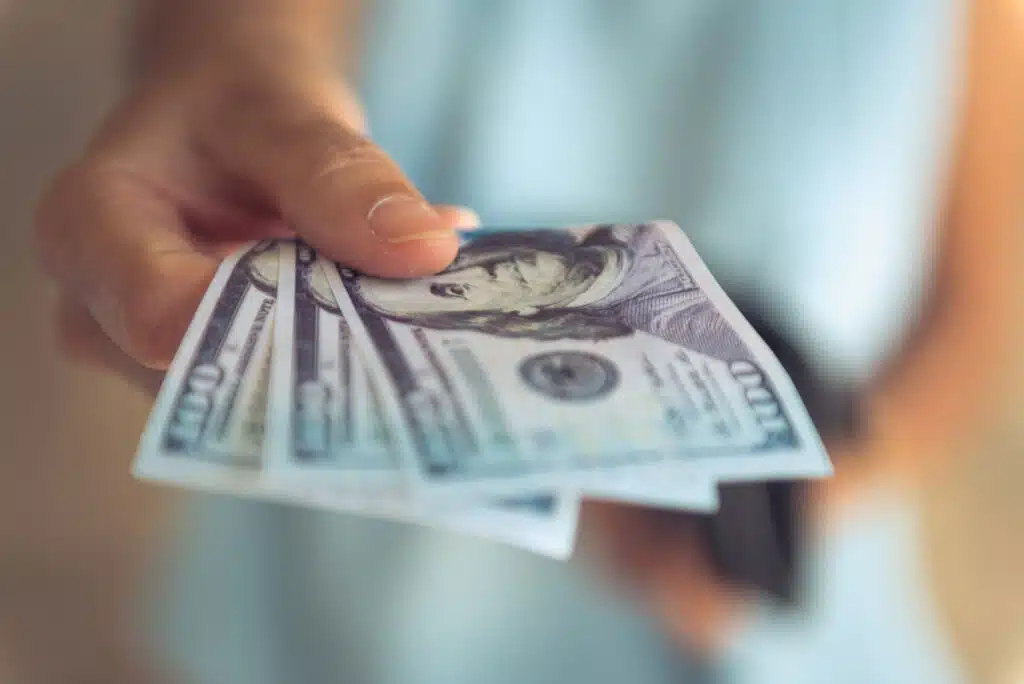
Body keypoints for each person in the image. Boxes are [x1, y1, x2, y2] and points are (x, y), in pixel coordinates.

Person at [32, 1, 1023, 683]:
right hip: (349, 618)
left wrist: (816, 486)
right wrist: (233, 62)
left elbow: (974, 307)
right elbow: (246, 29)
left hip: (784, 627)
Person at [348, 223, 751, 361]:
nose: (476, 270)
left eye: (447, 268)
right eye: (453, 291)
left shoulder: (605, 236)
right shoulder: (675, 322)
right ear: (512, 318)